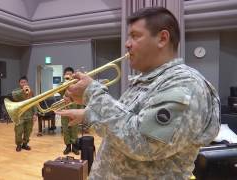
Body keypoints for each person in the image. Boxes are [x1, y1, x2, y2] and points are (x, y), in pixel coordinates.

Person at [56, 7, 220, 179]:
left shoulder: (185, 84)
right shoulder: (147, 79)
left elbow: (142, 143)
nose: (127, 43)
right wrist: (88, 112)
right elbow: (123, 122)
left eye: (135, 36)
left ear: (162, 38)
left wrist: (92, 93)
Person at [59, 67, 82, 155]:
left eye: (70, 74)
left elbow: (79, 95)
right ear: (64, 75)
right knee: (65, 129)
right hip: (65, 110)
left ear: (73, 75)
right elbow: (60, 92)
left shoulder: (77, 83)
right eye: (66, 74)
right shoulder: (62, 84)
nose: (68, 75)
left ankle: (75, 147)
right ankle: (68, 146)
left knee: (74, 129)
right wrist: (65, 83)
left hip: (74, 108)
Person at [12, 76, 37, 152]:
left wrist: (35, 114)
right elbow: (14, 96)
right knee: (18, 131)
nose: (23, 84)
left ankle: (25, 144)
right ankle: (18, 145)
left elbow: (34, 103)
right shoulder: (16, 91)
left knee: (28, 131)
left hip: (29, 115)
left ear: (27, 83)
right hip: (20, 115)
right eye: (22, 82)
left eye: (25, 82)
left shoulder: (31, 92)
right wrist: (22, 91)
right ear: (19, 83)